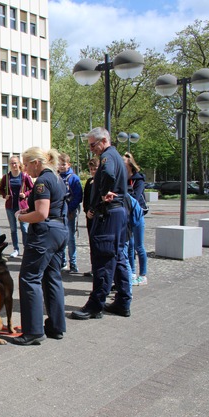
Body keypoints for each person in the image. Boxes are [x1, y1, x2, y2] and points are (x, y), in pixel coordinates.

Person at [71, 127, 132, 320]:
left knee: (103, 258)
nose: (91, 149)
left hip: (108, 214)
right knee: (118, 256)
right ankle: (123, 301)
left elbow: (108, 173)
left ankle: (95, 306)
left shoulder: (108, 158)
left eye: (92, 145)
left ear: (103, 140)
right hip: (118, 213)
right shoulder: (115, 156)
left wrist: (104, 193)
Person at [10, 147, 68, 345]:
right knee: (52, 277)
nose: (25, 170)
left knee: (29, 278)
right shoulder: (57, 177)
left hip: (45, 234)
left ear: (36, 162)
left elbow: (42, 214)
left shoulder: (43, 180)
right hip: (59, 230)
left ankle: (33, 331)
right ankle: (57, 326)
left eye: (26, 164)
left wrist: (22, 216)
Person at [0, 155, 34, 258]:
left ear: (19, 164)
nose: (14, 165)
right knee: (13, 229)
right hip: (10, 206)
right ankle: (16, 249)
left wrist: (25, 194)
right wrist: (5, 195)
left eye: (15, 163)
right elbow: (1, 189)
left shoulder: (24, 176)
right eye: (11, 163)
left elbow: (32, 189)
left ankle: (26, 249)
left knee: (24, 229)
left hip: (22, 206)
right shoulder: (7, 177)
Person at [124, 152, 148, 286]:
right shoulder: (123, 179)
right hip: (127, 215)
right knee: (130, 245)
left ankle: (143, 275)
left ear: (130, 166)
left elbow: (136, 197)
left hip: (137, 216)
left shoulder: (138, 180)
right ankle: (132, 273)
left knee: (139, 246)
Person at [58, 153, 83, 273]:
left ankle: (73, 263)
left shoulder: (73, 178)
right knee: (60, 238)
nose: (61, 166)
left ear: (68, 165)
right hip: (58, 212)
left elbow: (78, 196)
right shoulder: (56, 177)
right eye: (59, 164)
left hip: (69, 212)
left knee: (70, 238)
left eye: (63, 164)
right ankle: (62, 262)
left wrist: (69, 209)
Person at [82, 157, 99, 277]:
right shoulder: (89, 182)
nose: (93, 171)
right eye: (91, 169)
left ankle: (99, 269)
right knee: (92, 244)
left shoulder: (102, 182)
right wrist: (87, 211)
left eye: (95, 169)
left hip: (99, 217)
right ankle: (94, 268)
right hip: (89, 217)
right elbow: (86, 199)